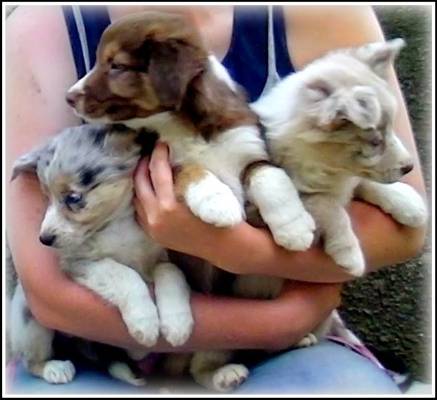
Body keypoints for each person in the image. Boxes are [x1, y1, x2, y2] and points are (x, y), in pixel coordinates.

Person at [6, 4, 427, 395]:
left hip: (287, 351)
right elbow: (50, 294)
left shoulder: (327, 14)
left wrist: (239, 253)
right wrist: (282, 318)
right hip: (96, 349)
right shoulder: (42, 29)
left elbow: (406, 229)